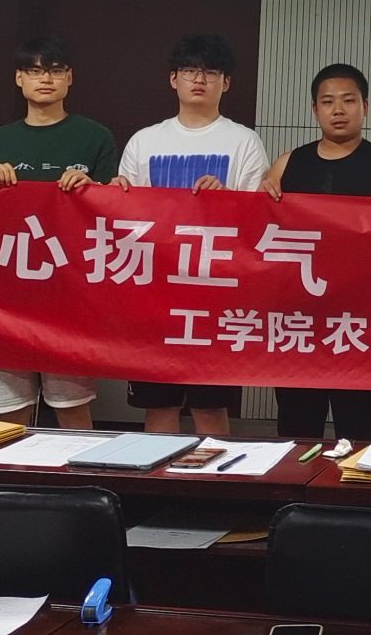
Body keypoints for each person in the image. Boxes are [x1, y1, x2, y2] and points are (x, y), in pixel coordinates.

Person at [112, 32, 269, 438]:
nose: (199, 79)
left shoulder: (244, 142)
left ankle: (215, 479)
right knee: (158, 406)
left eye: (210, 72)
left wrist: (226, 199)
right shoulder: (145, 141)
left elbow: (258, 219)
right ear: (173, 79)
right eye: (189, 71)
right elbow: (126, 216)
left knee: (210, 408)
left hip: (215, 294)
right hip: (156, 293)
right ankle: (157, 477)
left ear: (226, 83)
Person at [0, 36, 118, 429]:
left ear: (70, 78)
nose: (45, 79)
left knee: (72, 406)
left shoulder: (95, 136)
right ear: (19, 78)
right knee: (7, 411)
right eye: (34, 71)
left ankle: (82, 472)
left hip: (69, 291)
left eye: (55, 70)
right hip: (5, 293)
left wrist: (93, 191)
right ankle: (8, 473)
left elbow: (115, 212)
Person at [261, 63, 371, 443]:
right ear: (315, 109)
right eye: (328, 102)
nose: (338, 110)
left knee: (358, 430)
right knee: (296, 430)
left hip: (359, 321)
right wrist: (260, 199)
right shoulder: (287, 163)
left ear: (366, 107)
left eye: (348, 100)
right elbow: (261, 232)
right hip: (299, 320)